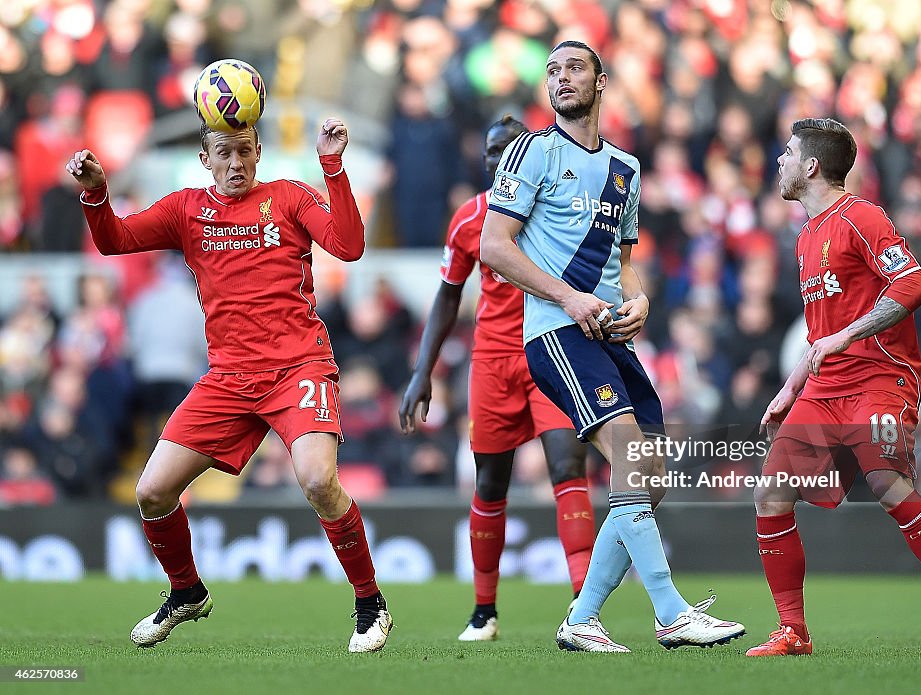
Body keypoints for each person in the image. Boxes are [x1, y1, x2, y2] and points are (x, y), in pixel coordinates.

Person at [65, 117, 393, 653]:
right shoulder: (186, 210)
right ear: (205, 158)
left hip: (297, 369)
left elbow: (350, 246)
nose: (235, 163)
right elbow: (115, 241)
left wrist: (332, 166)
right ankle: (186, 591)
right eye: (224, 153)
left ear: (259, 151)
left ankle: (368, 601)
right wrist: (96, 192)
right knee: (151, 491)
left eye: (244, 151)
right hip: (229, 379)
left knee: (316, 481)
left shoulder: (289, 197)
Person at [479, 40, 745, 653]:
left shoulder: (626, 167)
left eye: (574, 68)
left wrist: (641, 301)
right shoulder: (531, 150)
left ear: (602, 82)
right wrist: (569, 299)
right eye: (552, 70)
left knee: (647, 475)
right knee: (631, 458)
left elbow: (626, 262)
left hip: (609, 335)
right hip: (558, 333)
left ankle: (582, 618)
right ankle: (672, 613)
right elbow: (495, 246)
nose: (560, 77)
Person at [748, 117, 921, 656]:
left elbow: (913, 282)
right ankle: (794, 631)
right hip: (823, 386)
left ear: (811, 166)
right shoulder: (806, 235)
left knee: (887, 483)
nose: (779, 162)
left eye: (787, 153)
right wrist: (791, 387)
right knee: (770, 495)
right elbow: (819, 334)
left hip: (880, 377)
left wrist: (849, 335)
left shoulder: (861, 216)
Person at [399, 115, 596, 641]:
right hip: (492, 361)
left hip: (553, 353)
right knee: (490, 483)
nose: (498, 160)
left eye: (508, 151)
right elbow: (447, 296)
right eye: (490, 153)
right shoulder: (469, 219)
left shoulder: (558, 208)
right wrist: (423, 373)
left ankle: (584, 608)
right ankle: (484, 611)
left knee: (565, 466)